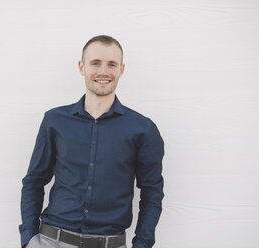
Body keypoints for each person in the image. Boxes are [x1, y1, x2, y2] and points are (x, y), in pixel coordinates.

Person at [19, 35, 165, 248]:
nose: (103, 71)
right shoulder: (54, 121)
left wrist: (142, 244)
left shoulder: (143, 129)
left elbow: (152, 191)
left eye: (112, 64)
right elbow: (34, 180)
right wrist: (28, 238)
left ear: (121, 70)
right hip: (51, 241)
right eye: (95, 63)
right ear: (82, 67)